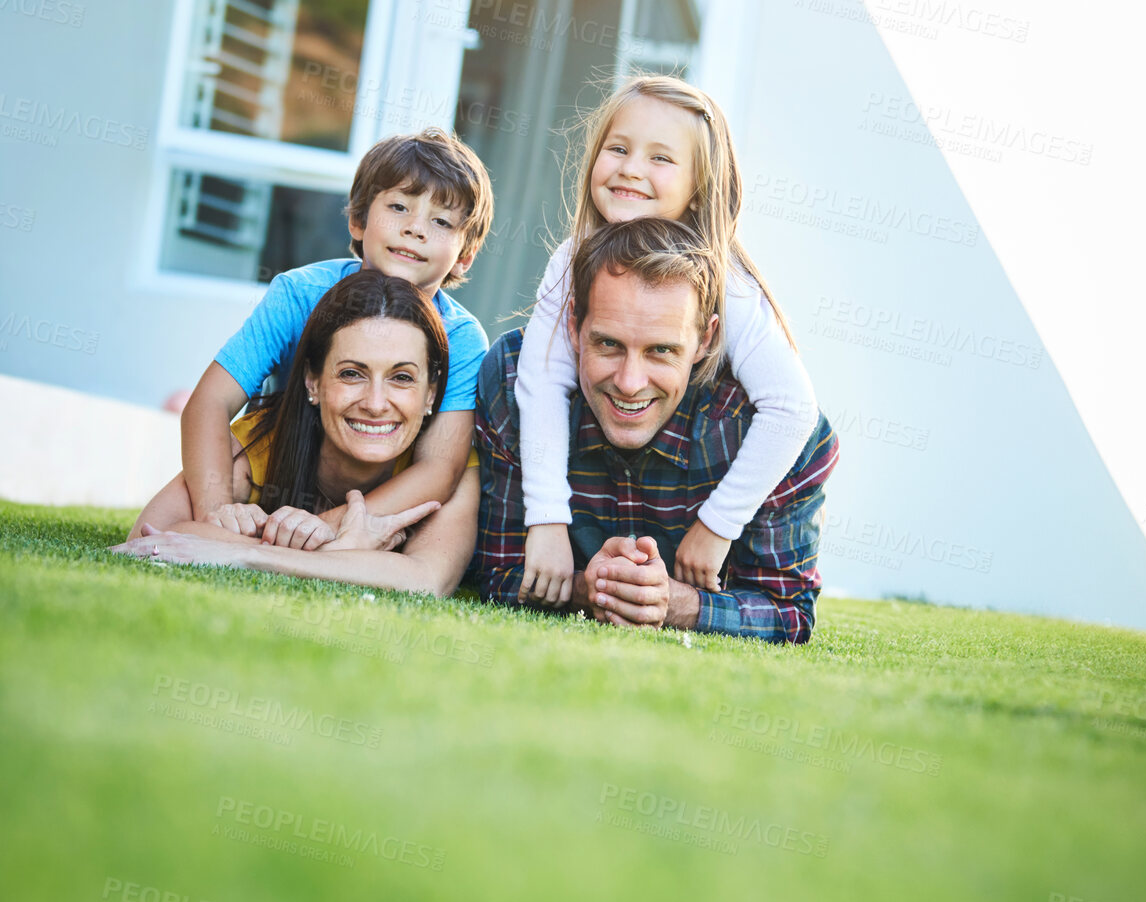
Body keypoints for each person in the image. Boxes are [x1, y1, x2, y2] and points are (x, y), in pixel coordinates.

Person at [517, 74, 818, 607]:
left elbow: (793, 409)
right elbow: (541, 382)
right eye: (618, 148)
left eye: (660, 158)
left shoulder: (730, 285)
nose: (631, 168)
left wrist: (718, 525)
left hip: (692, 488)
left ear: (699, 186)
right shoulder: (571, 260)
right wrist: (546, 520)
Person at [476, 219, 839, 643]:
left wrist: (676, 602)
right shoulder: (514, 381)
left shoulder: (763, 430)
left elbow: (788, 614)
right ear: (573, 326)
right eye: (608, 344)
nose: (630, 382)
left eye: (661, 350)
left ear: (706, 339)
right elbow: (494, 574)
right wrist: (588, 588)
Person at [128, 128, 493, 544]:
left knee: (460, 481)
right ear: (358, 220)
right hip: (288, 460)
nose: (415, 229)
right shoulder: (300, 294)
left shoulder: (462, 339)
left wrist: (332, 523)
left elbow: (438, 469)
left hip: (388, 483)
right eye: (398, 207)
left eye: (442, 221)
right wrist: (217, 511)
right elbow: (210, 403)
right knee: (154, 528)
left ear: (465, 254)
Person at [113, 272, 478, 596]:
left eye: (401, 378)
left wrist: (246, 553)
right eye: (352, 373)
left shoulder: (450, 472)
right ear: (312, 382)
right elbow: (153, 534)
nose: (376, 403)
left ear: (430, 395)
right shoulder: (264, 441)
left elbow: (427, 579)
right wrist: (345, 552)